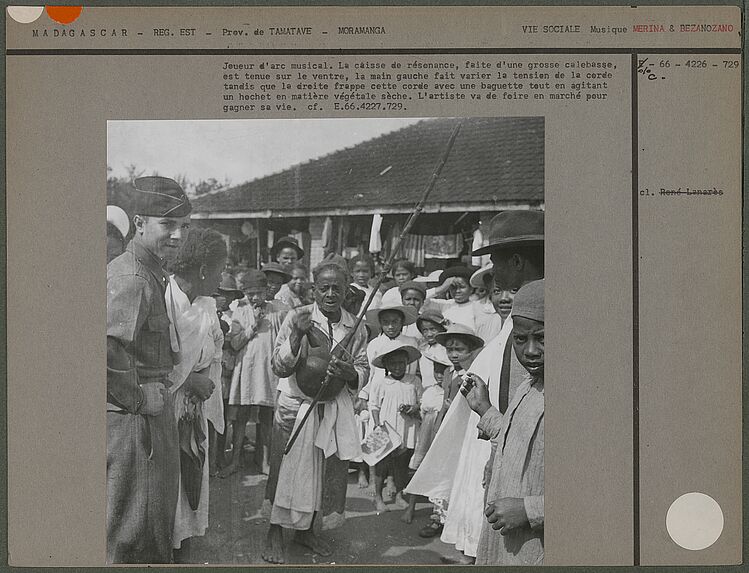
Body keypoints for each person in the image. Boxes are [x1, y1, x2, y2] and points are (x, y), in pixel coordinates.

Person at [106, 176, 191, 563]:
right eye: (167, 225)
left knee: (153, 523)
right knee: (134, 531)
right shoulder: (133, 277)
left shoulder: (150, 271)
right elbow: (106, 347)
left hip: (150, 413)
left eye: (183, 226)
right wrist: (138, 398)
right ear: (139, 222)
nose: (178, 235)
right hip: (136, 420)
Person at [263, 262, 369, 564]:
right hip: (295, 405)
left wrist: (351, 373)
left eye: (338, 287)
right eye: (324, 287)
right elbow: (278, 365)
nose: (331, 293)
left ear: (347, 289)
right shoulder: (297, 318)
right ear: (314, 289)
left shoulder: (355, 325)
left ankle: (307, 530)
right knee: (285, 470)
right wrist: (297, 336)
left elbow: (364, 367)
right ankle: (274, 530)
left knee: (322, 473)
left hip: (332, 407)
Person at [466, 279, 544, 565]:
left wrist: (528, 510)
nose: (531, 351)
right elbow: (516, 443)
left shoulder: (578, 399)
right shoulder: (530, 385)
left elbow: (596, 495)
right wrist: (484, 410)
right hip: (506, 545)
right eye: (521, 340)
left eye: (543, 338)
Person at [165, 227, 226, 561]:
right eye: (219, 270)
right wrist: (190, 382)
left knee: (190, 489)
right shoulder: (166, 300)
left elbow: (215, 350)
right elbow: (152, 362)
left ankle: (183, 557)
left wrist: (202, 379)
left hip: (193, 412)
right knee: (169, 493)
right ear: (203, 270)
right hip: (164, 410)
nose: (222, 277)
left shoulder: (206, 305)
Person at [223, 269, 289, 477]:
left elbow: (284, 340)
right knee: (241, 416)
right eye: (250, 293)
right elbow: (234, 343)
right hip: (246, 370)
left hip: (268, 371)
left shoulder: (278, 311)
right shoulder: (241, 310)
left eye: (259, 293)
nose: (255, 298)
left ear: (265, 290)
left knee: (267, 416)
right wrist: (254, 325)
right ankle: (235, 460)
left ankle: (264, 461)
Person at [368, 343, 422, 515]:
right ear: (386, 366)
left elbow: (421, 402)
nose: (397, 367)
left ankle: (399, 494)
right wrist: (378, 426)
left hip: (407, 427)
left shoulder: (414, 381)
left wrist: (414, 408)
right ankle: (378, 497)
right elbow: (374, 405)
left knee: (401, 465)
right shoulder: (381, 382)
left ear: (407, 363)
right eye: (393, 363)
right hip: (386, 427)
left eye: (401, 363)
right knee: (381, 465)